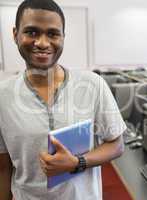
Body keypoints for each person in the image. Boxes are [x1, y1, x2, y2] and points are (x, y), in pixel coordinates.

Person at [0, 0, 126, 200]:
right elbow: (3, 168)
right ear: (15, 34)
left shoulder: (93, 85)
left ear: (63, 38)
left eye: (52, 33)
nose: (42, 43)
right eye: (32, 32)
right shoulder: (2, 95)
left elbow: (117, 145)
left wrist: (78, 162)